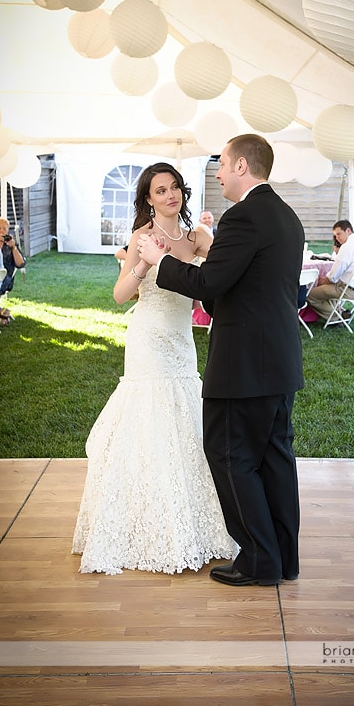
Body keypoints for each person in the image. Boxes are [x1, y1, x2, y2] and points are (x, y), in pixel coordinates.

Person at [138, 134, 305, 587]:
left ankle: (257, 560)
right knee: (274, 459)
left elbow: (211, 281)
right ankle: (283, 559)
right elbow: (246, 287)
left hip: (245, 366)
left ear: (242, 167)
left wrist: (158, 261)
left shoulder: (244, 216)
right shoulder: (286, 216)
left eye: (223, 164)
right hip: (279, 362)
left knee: (231, 457)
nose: (217, 173)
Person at [72, 162, 236, 575]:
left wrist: (210, 238)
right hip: (147, 339)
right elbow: (119, 295)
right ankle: (144, 519)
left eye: (175, 187)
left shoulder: (197, 237)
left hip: (182, 341)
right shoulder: (141, 237)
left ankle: (195, 520)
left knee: (186, 419)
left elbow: (225, 269)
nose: (170, 195)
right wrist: (142, 265)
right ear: (148, 198)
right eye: (160, 190)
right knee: (149, 419)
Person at [306, 220, 354, 320]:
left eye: (339, 234)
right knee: (328, 288)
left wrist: (324, 280)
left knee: (310, 295)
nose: (337, 238)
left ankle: (338, 316)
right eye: (335, 235)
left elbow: (333, 276)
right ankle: (339, 313)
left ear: (348, 231)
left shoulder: (347, 246)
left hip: (347, 290)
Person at [0, 216, 26, 295]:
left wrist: (13, 248)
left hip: (4, 279)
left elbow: (21, 264)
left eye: (4, 229)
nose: (2, 231)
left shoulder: (11, 246)